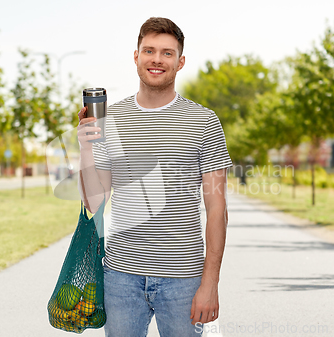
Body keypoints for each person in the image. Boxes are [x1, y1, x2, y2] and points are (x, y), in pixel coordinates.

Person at [77, 17, 232, 337]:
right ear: (136, 56)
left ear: (180, 61)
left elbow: (217, 209)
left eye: (167, 53)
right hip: (120, 276)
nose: (157, 59)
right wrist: (85, 148)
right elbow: (94, 202)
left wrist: (210, 283)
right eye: (149, 50)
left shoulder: (204, 121)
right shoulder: (111, 119)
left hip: (184, 279)